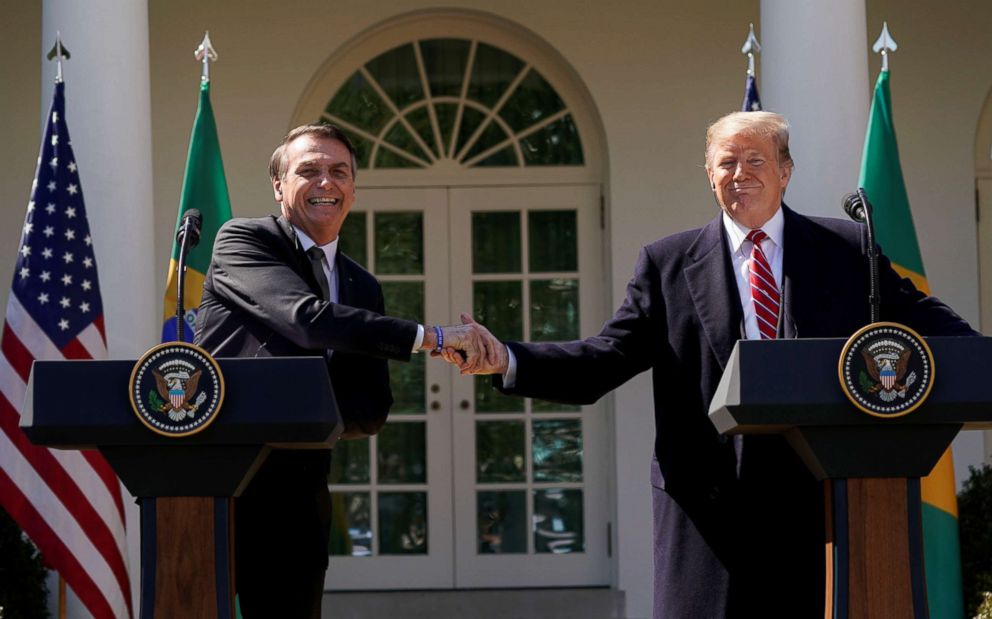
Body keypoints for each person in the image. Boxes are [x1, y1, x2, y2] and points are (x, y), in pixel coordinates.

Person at [443, 111, 977, 618]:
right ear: (708, 174)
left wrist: (983, 360)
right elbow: (604, 359)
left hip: (819, 503)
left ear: (786, 171)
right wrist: (507, 357)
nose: (739, 174)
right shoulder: (667, 263)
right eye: (726, 162)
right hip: (709, 514)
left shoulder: (844, 248)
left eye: (755, 161)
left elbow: (927, 319)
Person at [195, 123, 493, 618]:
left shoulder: (361, 284)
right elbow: (305, 320)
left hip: (300, 493)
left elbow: (371, 408)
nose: (325, 183)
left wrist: (299, 414)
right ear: (279, 185)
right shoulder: (244, 242)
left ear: (353, 188)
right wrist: (433, 337)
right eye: (308, 171)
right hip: (222, 487)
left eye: (338, 172)